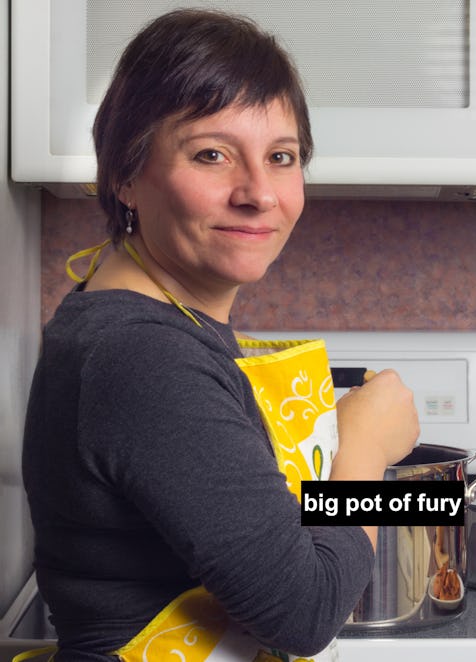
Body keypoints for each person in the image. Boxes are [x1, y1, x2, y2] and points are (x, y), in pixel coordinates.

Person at [21, 8, 419, 662]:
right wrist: (364, 448)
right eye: (212, 154)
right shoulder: (143, 354)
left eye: (282, 157)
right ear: (125, 174)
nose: (259, 193)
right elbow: (304, 609)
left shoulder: (139, 319)